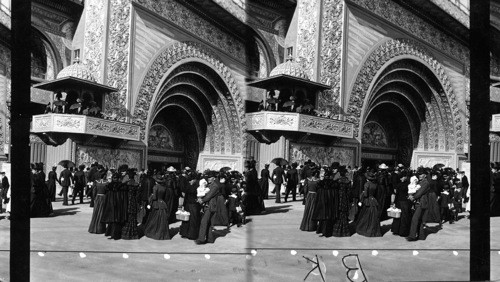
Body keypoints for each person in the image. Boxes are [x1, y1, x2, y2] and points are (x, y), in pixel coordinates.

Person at [144, 173, 174, 240]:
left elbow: (154, 197)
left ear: (156, 181)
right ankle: (162, 233)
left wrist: (151, 196)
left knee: (154, 218)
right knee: (162, 219)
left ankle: (153, 232)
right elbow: (165, 197)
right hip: (162, 203)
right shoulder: (164, 187)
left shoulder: (155, 187)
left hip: (156, 203)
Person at [196, 171, 221, 244]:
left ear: (214, 178)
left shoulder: (214, 186)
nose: (209, 179)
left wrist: (202, 200)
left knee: (204, 222)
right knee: (209, 223)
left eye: (210, 177)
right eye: (208, 177)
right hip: (209, 205)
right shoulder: (210, 185)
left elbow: (209, 196)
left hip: (210, 206)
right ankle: (210, 239)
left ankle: (201, 239)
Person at [101, 172, 128, 240]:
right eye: (114, 178)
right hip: (116, 205)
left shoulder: (112, 186)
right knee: (115, 220)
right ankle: (113, 234)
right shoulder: (118, 186)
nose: (115, 179)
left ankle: (113, 234)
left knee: (114, 220)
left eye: (115, 178)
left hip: (114, 205)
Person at [407, 168, 431, 241]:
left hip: (421, 202)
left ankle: (412, 236)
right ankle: (421, 236)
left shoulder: (425, 183)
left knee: (415, 219)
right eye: (419, 174)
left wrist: (413, 197)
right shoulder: (420, 182)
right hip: (419, 202)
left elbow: (419, 193)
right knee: (419, 219)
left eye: (421, 174)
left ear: (425, 175)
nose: (420, 175)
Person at [356, 170, 382, 237]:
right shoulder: (375, 184)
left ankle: (364, 229)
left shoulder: (367, 184)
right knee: (373, 216)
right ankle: (373, 230)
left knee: (365, 215)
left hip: (368, 200)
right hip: (373, 200)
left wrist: (362, 195)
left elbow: (365, 194)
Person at [180, 173, 202, 240]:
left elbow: (185, 196)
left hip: (187, 204)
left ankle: (184, 233)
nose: (190, 181)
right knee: (193, 219)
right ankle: (192, 235)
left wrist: (183, 205)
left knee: (186, 219)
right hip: (194, 205)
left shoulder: (188, 186)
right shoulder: (197, 186)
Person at [391, 171, 411, 237]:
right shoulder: (408, 184)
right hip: (404, 202)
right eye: (403, 177)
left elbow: (396, 194)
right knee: (404, 216)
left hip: (399, 201)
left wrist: (394, 203)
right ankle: (403, 232)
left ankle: (396, 230)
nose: (404, 177)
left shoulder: (398, 185)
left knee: (398, 216)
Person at [332, 166, 351, 237]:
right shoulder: (347, 181)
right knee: (344, 213)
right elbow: (349, 192)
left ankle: (337, 230)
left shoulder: (337, 181)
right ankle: (345, 231)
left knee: (338, 213)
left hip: (338, 199)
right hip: (345, 199)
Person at [88, 170, 108, 234]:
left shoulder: (96, 182)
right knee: (102, 213)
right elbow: (107, 192)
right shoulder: (106, 182)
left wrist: (94, 198)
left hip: (97, 198)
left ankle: (93, 228)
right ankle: (101, 229)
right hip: (104, 198)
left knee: (96, 213)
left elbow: (94, 191)